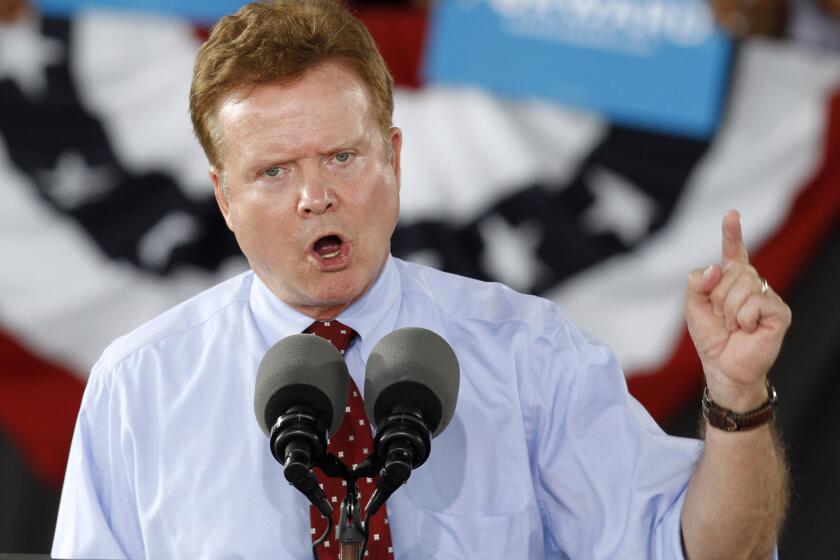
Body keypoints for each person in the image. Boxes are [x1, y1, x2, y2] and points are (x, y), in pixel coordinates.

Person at [52, 1, 790, 558]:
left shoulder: (530, 355)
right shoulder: (140, 387)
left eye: (341, 157)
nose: (315, 196)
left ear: (394, 160)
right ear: (224, 198)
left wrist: (737, 399)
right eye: (274, 172)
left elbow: (707, 550)